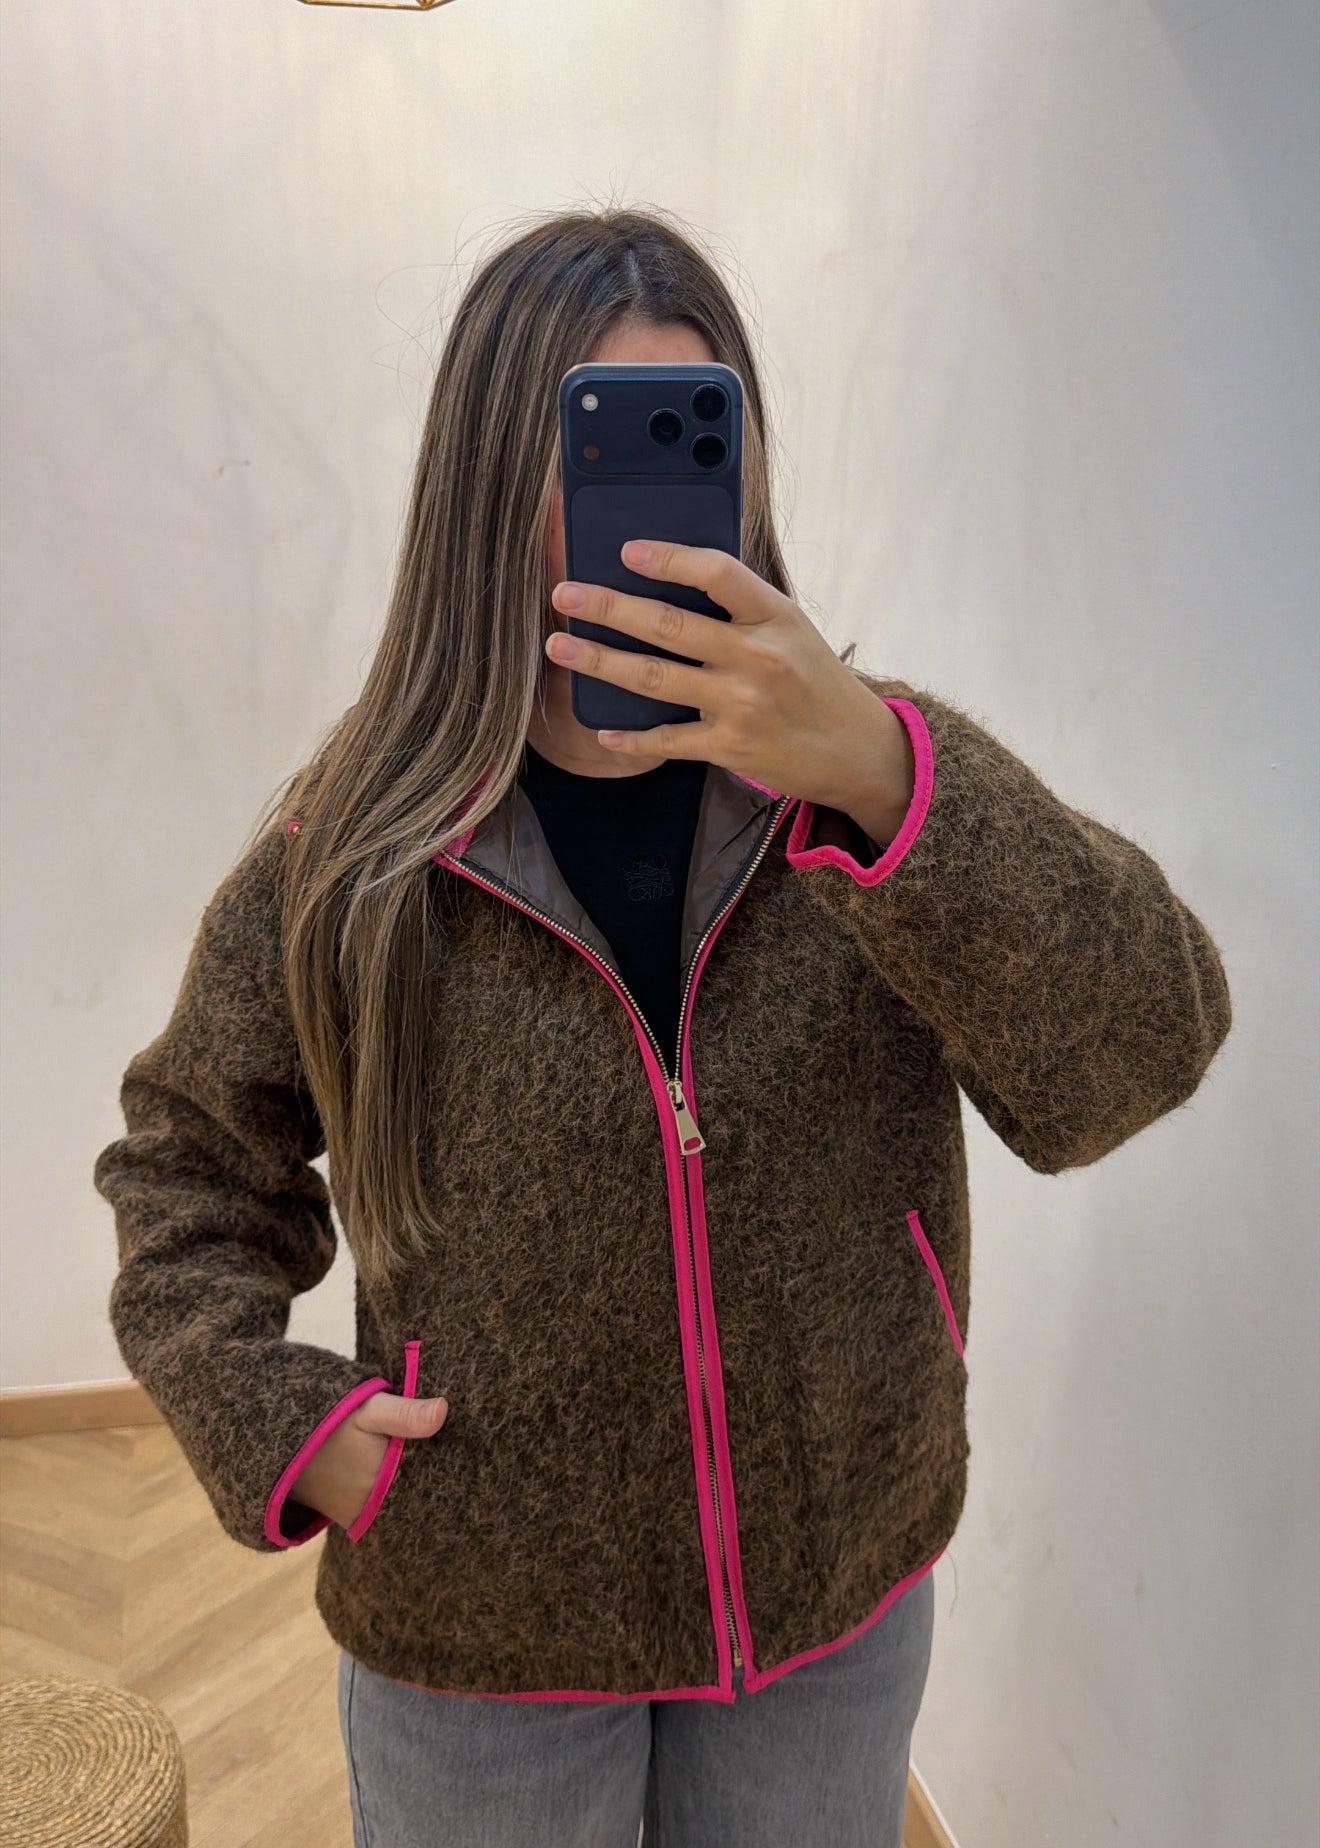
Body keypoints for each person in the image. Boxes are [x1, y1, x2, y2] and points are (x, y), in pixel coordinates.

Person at [92, 205, 1233, 1848]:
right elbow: (184, 1173)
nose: (642, 513)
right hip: (484, 1617)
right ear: (490, 483)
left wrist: (890, 778)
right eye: (589, 442)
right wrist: (286, 1424)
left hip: (829, 1589)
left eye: (689, 439)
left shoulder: (864, 796)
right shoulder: (357, 852)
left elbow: (1144, 1048)